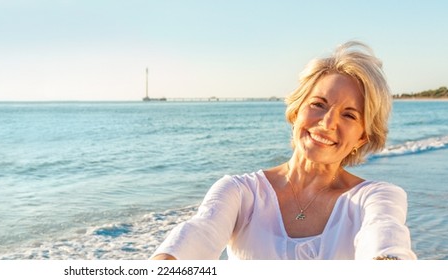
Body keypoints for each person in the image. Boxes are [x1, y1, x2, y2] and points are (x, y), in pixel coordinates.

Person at [150, 41, 416, 260]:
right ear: (296, 111)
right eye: (318, 105)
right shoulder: (240, 192)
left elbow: (386, 242)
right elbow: (196, 237)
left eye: (349, 115)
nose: (327, 123)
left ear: (362, 137)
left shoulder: (375, 199)